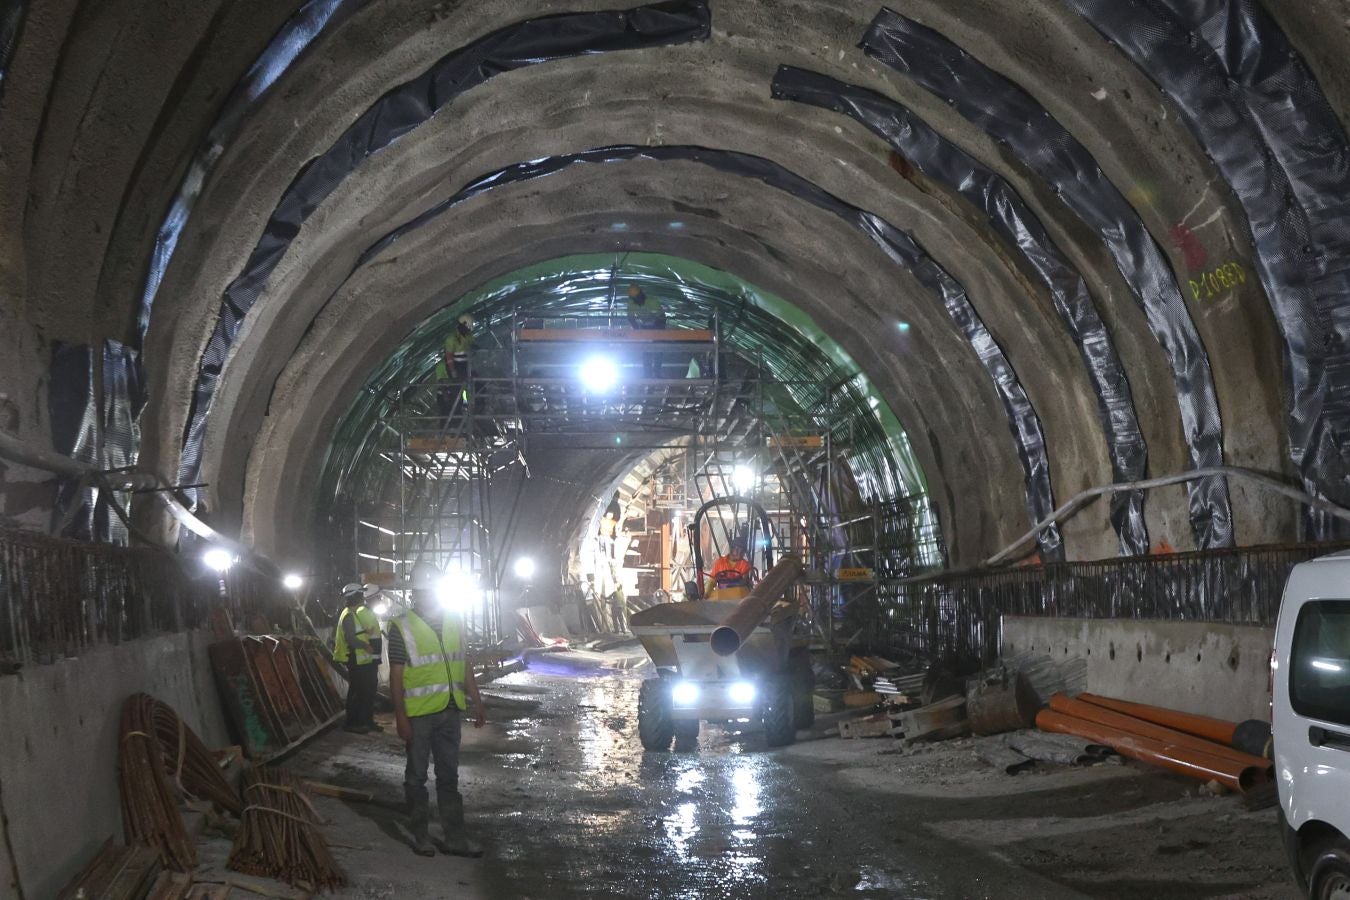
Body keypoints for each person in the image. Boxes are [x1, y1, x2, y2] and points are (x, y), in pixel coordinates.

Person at [386, 563, 487, 857]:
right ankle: (420, 835)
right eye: (422, 592)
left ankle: (455, 838)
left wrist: (476, 700)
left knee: (449, 777)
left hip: (451, 709)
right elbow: (396, 676)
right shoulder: (401, 627)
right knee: (416, 776)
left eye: (431, 591)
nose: (427, 596)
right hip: (419, 715)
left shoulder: (454, 619)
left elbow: (463, 663)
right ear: (415, 593)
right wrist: (400, 717)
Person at [333, 582, 382, 734]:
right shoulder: (348, 615)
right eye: (361, 595)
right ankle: (352, 723)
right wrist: (365, 646)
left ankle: (366, 721)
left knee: (364, 691)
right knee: (356, 692)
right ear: (355, 597)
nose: (363, 598)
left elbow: (356, 633)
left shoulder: (352, 613)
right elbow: (351, 639)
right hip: (354, 658)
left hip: (361, 659)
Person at [434, 315, 474, 419]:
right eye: (467, 328)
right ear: (462, 325)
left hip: (464, 368)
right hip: (457, 370)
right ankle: (456, 416)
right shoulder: (452, 339)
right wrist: (453, 370)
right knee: (457, 392)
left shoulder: (468, 337)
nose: (468, 330)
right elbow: (450, 356)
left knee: (465, 388)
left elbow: (470, 347)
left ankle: (464, 408)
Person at [626, 286, 665, 378]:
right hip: (644, 326)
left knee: (658, 349)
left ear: (641, 295)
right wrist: (638, 331)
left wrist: (658, 332)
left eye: (638, 297)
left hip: (657, 325)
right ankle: (647, 373)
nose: (637, 300)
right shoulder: (631, 303)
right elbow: (630, 318)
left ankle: (657, 372)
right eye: (635, 298)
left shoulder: (653, 301)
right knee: (646, 350)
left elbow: (661, 318)